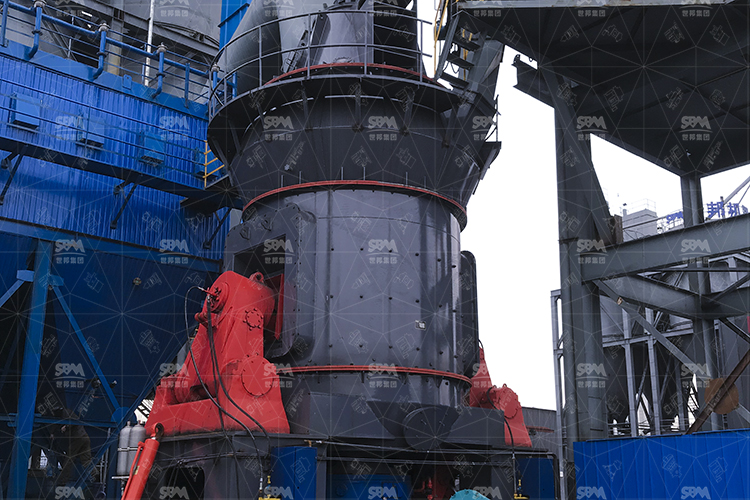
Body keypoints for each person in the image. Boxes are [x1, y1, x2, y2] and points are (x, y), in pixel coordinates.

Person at [48, 406, 97, 486]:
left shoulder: (66, 413)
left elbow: (74, 420)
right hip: (85, 437)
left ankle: (63, 480)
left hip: (77, 438)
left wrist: (65, 427)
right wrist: (53, 432)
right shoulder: (64, 414)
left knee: (69, 459)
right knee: (86, 460)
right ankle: (95, 475)